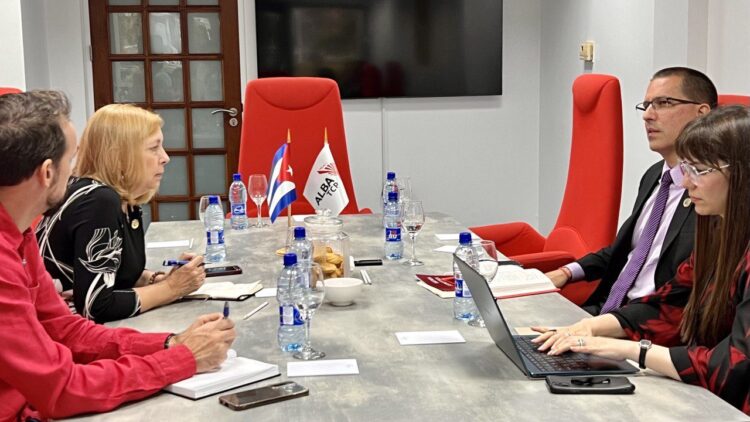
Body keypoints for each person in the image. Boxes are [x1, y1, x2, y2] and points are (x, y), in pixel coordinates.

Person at [0, 90, 235, 421]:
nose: (76, 171)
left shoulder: (19, 234)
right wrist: (183, 358)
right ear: (47, 173)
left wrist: (171, 342)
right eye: (72, 159)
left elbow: (64, 328)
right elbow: (62, 389)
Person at [534, 105, 750, 415]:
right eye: (687, 169)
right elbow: (670, 303)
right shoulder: (719, 230)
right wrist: (589, 329)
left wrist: (633, 350)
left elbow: (735, 366)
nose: (688, 183)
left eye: (700, 170)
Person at [546, 67, 717, 315]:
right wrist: (565, 272)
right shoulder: (654, 176)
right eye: (646, 105)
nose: (648, 116)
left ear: (701, 113)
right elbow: (626, 251)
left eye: (663, 103)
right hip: (605, 311)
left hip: (649, 328)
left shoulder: (713, 193)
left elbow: (688, 292)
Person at [37, 103, 205, 323]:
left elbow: (114, 273)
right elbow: (97, 305)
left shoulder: (120, 198)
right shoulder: (98, 201)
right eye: (154, 148)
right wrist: (172, 288)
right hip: (62, 335)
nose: (165, 157)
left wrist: (159, 279)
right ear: (121, 155)